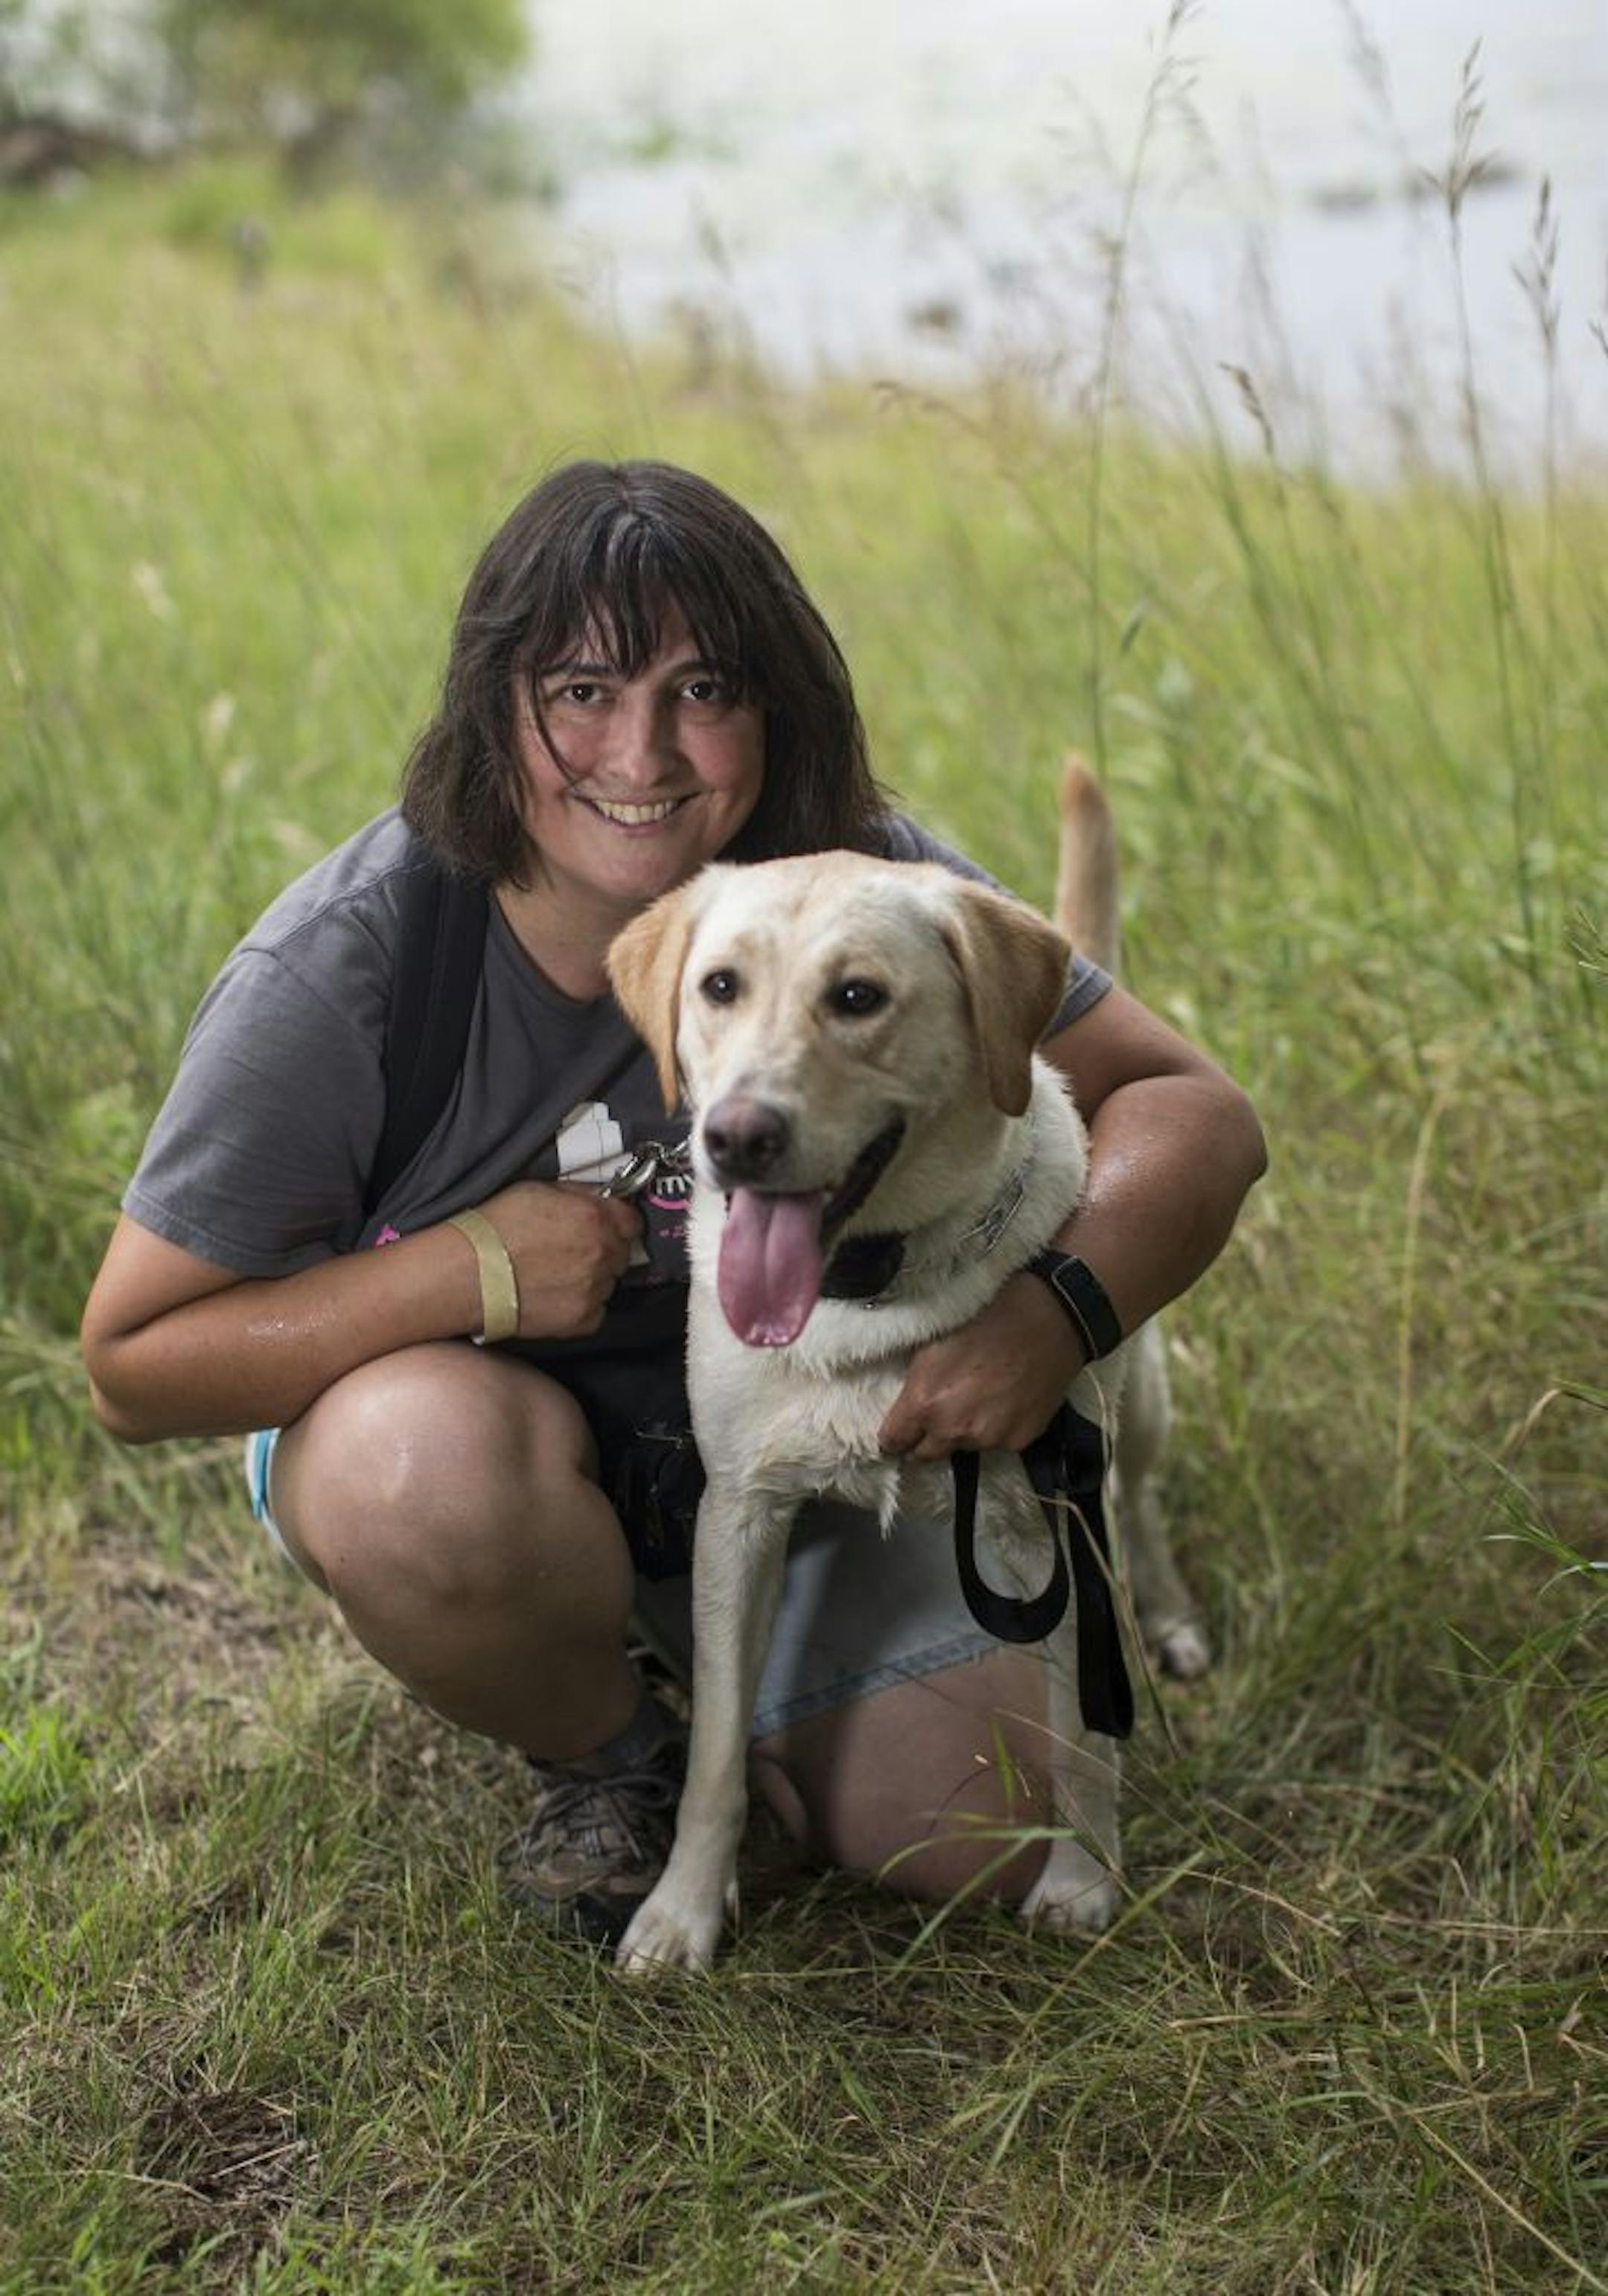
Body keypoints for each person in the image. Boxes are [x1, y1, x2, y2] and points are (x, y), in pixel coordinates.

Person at [80, 459, 1266, 1948]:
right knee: (406, 1471)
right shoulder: (352, 967)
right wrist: (474, 1273)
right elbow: (131, 1363)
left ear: (776, 710)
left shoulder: (859, 886)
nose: (638, 751)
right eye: (578, 688)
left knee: (983, 1834)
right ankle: (603, 1748)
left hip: (811, 1453)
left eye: (703, 687)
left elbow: (1196, 1116)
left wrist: (1052, 1317)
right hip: (486, 1465)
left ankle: (771, 1684)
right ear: (490, 707)